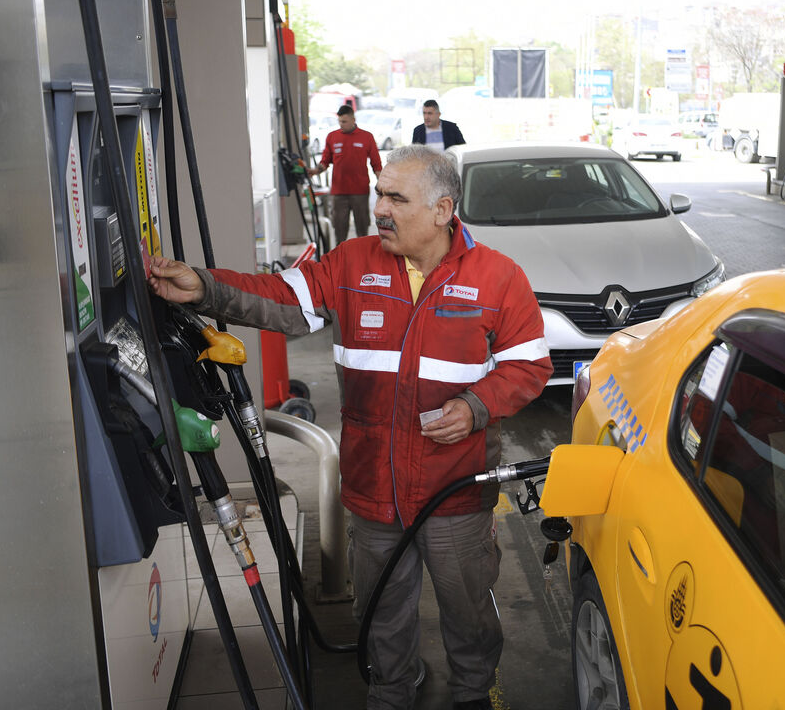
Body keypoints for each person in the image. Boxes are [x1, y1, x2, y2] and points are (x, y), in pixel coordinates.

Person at [147, 145, 551, 710]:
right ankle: (391, 691)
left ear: (442, 210)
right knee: (381, 608)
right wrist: (205, 287)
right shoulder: (353, 263)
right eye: (379, 194)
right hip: (373, 482)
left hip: (455, 487)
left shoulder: (498, 277)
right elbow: (281, 297)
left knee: (468, 609)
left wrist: (476, 406)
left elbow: (528, 365)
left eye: (396, 198)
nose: (379, 208)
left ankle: (471, 693)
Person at [312, 105, 383, 247]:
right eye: (339, 121)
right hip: (339, 192)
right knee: (339, 229)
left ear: (353, 120)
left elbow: (376, 164)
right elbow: (325, 161)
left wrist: (382, 185)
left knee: (362, 229)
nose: (341, 125)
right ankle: (340, 256)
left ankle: (363, 257)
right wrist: (314, 171)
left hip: (360, 192)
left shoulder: (366, 137)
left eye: (344, 121)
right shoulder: (332, 137)